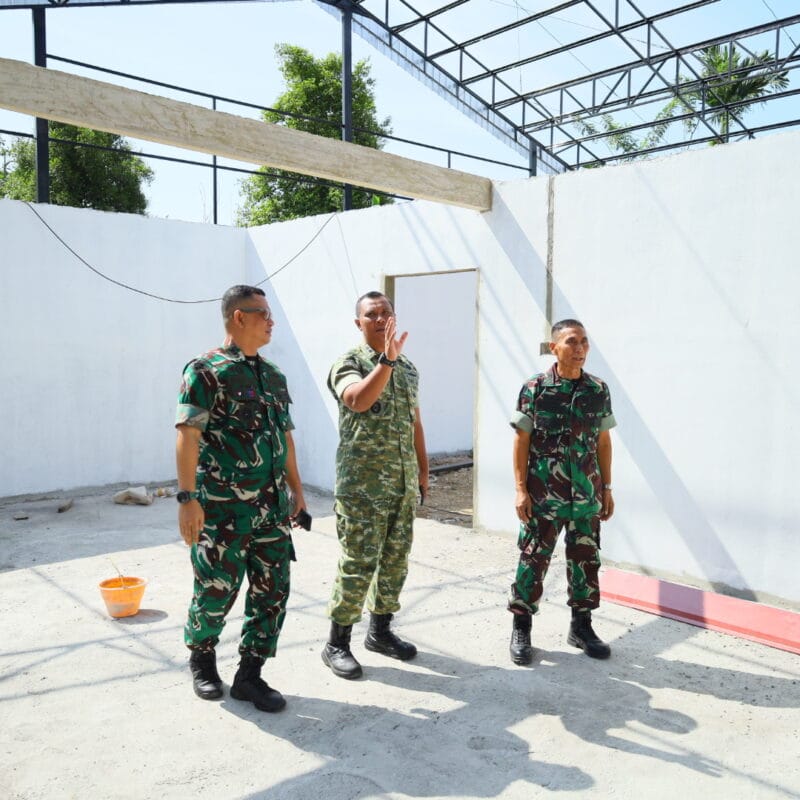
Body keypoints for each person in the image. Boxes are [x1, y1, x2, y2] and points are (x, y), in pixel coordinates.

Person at [175, 284, 307, 711]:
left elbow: (284, 439)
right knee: (216, 590)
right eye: (263, 313)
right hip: (222, 510)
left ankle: (250, 674)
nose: (271, 321)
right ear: (239, 317)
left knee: (272, 592)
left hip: (271, 509)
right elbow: (188, 435)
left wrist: (297, 490)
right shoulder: (205, 370)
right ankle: (202, 658)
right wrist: (187, 498)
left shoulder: (273, 375)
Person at [321, 291, 429, 679]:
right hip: (362, 485)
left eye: (386, 312)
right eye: (372, 315)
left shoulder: (409, 368)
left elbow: (415, 422)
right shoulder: (349, 363)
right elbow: (358, 399)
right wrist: (385, 361)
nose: (381, 319)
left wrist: (422, 471)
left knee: (395, 561)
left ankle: (380, 632)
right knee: (358, 562)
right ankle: (337, 643)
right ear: (359, 323)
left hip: (401, 483)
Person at [508, 319, 616, 663]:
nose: (580, 348)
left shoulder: (597, 390)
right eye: (571, 341)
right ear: (554, 347)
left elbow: (603, 441)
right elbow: (521, 441)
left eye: (584, 341)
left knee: (586, 559)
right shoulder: (535, 389)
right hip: (544, 495)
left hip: (586, 494)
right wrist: (521, 490)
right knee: (533, 558)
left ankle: (581, 627)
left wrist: (607, 488)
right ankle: (522, 627)